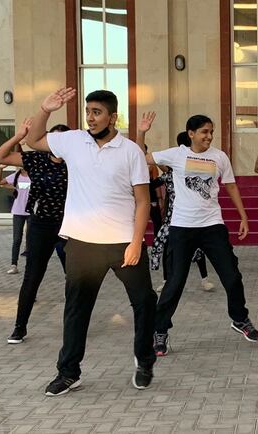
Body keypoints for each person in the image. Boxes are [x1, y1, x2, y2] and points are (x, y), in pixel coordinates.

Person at [27, 87, 158, 396]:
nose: (90, 117)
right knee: (77, 309)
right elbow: (33, 140)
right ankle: (68, 373)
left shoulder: (130, 151)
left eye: (97, 112)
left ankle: (144, 361)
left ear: (113, 117)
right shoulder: (73, 141)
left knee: (144, 302)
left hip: (122, 243)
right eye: (88, 111)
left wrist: (137, 243)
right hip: (83, 244)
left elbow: (142, 201)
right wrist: (45, 110)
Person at [144, 114, 258, 357]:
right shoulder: (177, 154)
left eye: (211, 132)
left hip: (212, 225)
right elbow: (141, 158)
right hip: (182, 228)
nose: (209, 136)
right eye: (204, 132)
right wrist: (142, 132)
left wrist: (243, 216)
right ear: (191, 133)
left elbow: (230, 185)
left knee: (232, 276)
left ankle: (239, 319)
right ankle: (160, 331)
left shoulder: (219, 157)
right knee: (174, 283)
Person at [0, 118, 70, 344]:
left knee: (74, 277)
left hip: (71, 225)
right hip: (41, 225)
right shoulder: (36, 158)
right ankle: (19, 326)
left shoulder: (77, 162)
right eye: (52, 139)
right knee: (32, 276)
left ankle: (73, 324)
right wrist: (19, 136)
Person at [138, 119, 214, 293]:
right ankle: (168, 279)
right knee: (167, 247)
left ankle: (204, 278)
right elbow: (154, 179)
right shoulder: (171, 172)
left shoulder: (194, 167)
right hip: (172, 218)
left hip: (190, 217)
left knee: (197, 246)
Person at [0, 152, 31, 275]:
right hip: (18, 211)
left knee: (31, 238)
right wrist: (0, 169)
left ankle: (30, 265)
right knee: (17, 239)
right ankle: (13, 264)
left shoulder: (34, 176)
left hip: (31, 211)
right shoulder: (16, 176)